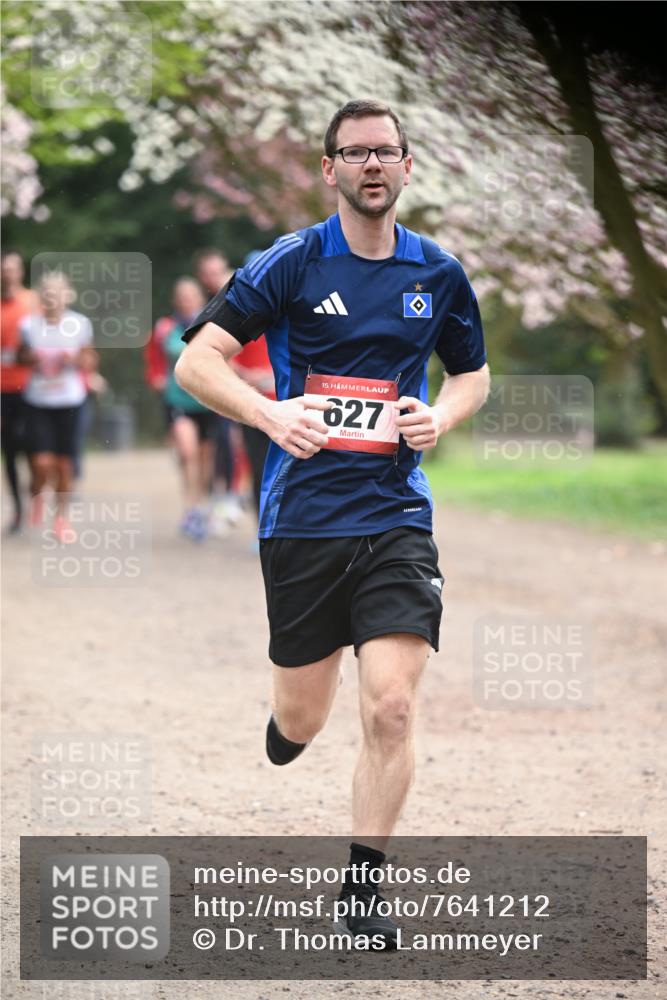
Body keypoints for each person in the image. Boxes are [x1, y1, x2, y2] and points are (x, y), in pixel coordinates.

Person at [175, 99, 490, 948]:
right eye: (354, 154)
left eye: (386, 151)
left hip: (395, 514)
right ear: (330, 171)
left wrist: (443, 417)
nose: (372, 166)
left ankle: (362, 889)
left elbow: (471, 375)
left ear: (407, 165)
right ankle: (287, 725)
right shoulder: (290, 263)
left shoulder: (438, 273)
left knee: (390, 707)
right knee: (307, 718)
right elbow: (195, 360)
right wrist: (270, 416)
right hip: (303, 518)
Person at [17, 271, 98, 541]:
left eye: (58, 293)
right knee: (41, 463)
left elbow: (90, 360)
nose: (52, 298)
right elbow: (19, 357)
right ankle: (38, 492)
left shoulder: (80, 324)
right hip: (38, 401)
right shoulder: (29, 325)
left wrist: (75, 360)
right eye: (47, 293)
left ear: (68, 296)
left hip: (70, 402)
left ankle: (61, 519)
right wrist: (32, 358)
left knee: (64, 465)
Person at [144, 277, 216, 542]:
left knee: (206, 456)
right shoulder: (165, 327)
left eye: (190, 295)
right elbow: (153, 358)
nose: (186, 300)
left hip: (209, 400)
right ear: (176, 300)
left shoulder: (212, 324)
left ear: (199, 298)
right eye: (181, 295)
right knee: (188, 451)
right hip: (178, 400)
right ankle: (191, 507)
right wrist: (155, 378)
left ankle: (203, 502)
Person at [194, 248, 247, 532]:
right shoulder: (203, 302)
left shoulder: (240, 293)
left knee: (231, 442)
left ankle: (231, 495)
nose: (213, 278)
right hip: (212, 383)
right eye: (208, 273)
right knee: (214, 445)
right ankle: (215, 499)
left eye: (217, 272)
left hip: (237, 382)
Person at [1, 250, 34, 533]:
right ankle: (18, 510)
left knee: (32, 445)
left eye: (12, 268)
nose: (7, 273)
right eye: (4, 268)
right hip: (3, 389)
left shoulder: (32, 302)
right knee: (9, 450)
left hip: (32, 387)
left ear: (21, 271)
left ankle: (35, 499)